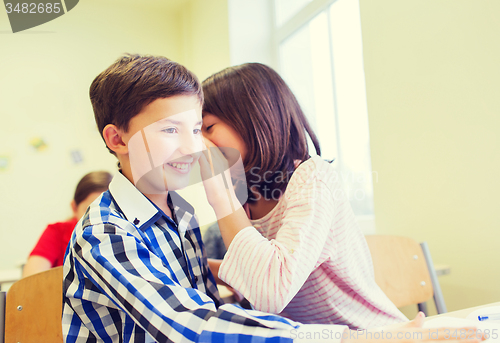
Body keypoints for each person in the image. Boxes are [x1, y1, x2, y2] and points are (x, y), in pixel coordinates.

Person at [62, 54, 482, 343]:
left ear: (252, 120)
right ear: (117, 140)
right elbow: (191, 322)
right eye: (175, 130)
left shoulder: (189, 210)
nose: (195, 148)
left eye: (200, 128)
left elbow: (216, 295)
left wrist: (221, 212)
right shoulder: (108, 230)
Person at [201, 63, 406, 328]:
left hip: (373, 333)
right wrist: (202, 267)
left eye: (208, 128)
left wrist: (220, 193)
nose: (200, 143)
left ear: (253, 120)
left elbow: (271, 291)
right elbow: (255, 274)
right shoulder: (246, 198)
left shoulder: (313, 179)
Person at [22, 171, 112, 278]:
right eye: (90, 211)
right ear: (74, 208)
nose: (99, 219)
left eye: (107, 212)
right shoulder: (56, 232)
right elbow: (31, 280)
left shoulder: (126, 234)